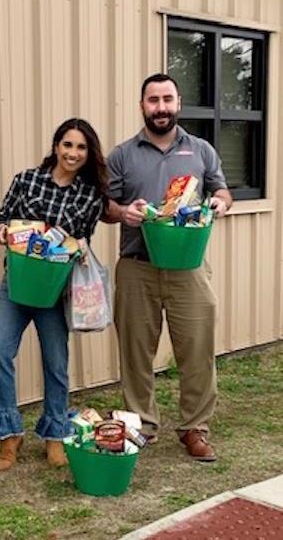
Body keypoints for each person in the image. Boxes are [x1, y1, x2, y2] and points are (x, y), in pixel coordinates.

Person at [103, 73, 232, 462]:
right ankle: (142, 423)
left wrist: (220, 204)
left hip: (187, 266)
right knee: (135, 351)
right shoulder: (122, 154)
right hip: (137, 266)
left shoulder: (201, 150)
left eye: (167, 100)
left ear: (178, 103)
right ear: (142, 105)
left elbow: (221, 189)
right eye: (153, 100)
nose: (161, 107)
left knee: (197, 348)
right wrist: (123, 212)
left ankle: (195, 428)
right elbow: (104, 205)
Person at [0, 117, 108, 471]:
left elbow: (82, 238)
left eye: (81, 147)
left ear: (89, 154)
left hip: (55, 289)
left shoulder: (91, 196)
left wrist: (80, 247)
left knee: (56, 363)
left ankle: (55, 434)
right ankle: (10, 434)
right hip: (18, 283)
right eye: (67, 144)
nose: (73, 153)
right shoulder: (27, 180)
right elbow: (2, 217)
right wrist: (2, 232)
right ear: (56, 145)